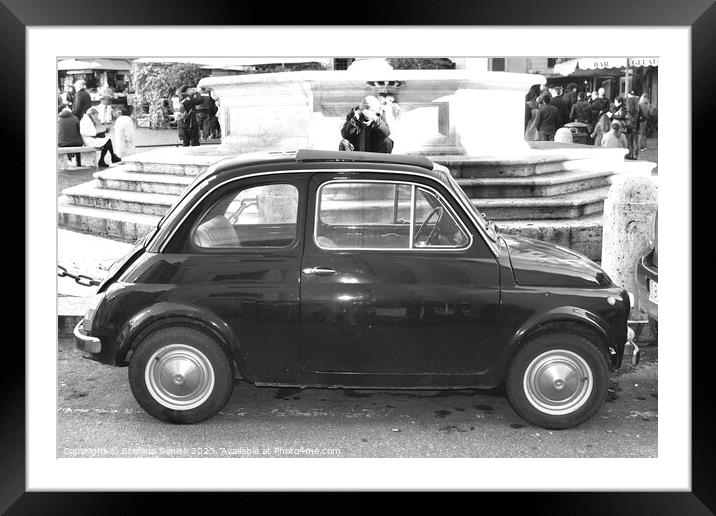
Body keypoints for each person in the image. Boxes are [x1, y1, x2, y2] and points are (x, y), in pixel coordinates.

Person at [624, 92, 644, 160]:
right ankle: (635, 155)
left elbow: (626, 116)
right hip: (636, 126)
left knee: (629, 141)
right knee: (635, 141)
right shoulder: (638, 106)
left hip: (629, 126)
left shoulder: (628, 107)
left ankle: (630, 154)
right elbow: (644, 117)